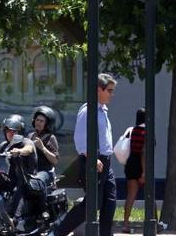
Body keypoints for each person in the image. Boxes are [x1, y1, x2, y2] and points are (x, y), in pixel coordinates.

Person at [51, 73, 117, 236]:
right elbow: (80, 138)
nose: (111, 94)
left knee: (110, 203)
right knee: (92, 205)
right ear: (98, 90)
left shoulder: (102, 110)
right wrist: (93, 158)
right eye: (109, 90)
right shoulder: (88, 111)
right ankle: (57, 233)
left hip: (106, 163)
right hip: (93, 160)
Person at [123, 108, 159, 233]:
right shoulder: (147, 132)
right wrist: (144, 172)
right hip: (142, 164)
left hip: (131, 163)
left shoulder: (132, 131)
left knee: (131, 195)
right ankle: (155, 223)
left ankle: (126, 224)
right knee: (150, 195)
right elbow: (144, 152)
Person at [27, 105, 60, 185]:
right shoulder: (30, 136)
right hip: (31, 170)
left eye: (42, 121)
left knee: (35, 182)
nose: (38, 122)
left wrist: (42, 148)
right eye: (37, 120)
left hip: (45, 171)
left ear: (47, 124)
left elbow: (55, 161)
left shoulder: (50, 138)